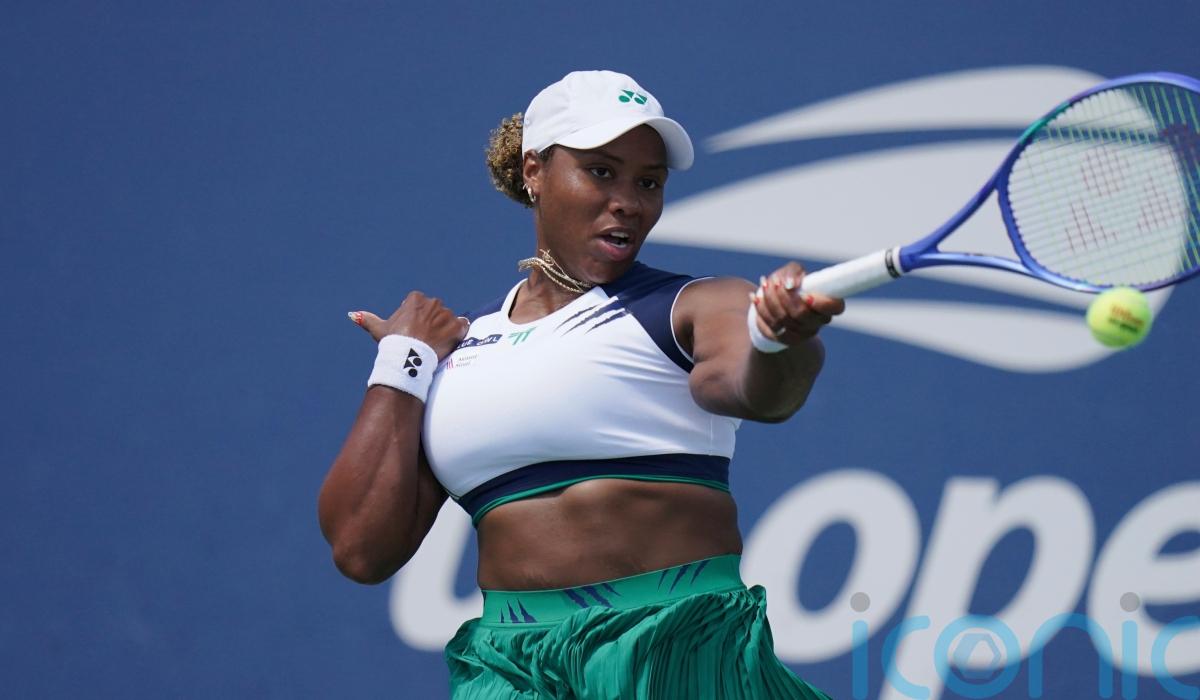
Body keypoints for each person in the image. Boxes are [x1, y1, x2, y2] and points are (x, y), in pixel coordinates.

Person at [319, 70, 843, 699]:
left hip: (672, 652)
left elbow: (759, 392)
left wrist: (779, 339)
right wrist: (403, 360)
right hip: (509, 671)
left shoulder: (695, 304)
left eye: (648, 182)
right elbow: (361, 550)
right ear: (534, 172)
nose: (628, 201)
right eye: (601, 172)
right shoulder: (457, 350)